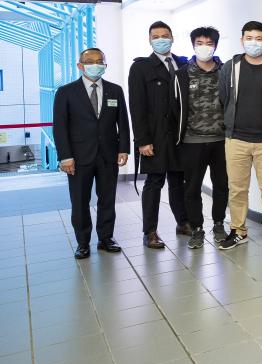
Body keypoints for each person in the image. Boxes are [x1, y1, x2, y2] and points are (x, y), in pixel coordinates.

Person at [54, 48, 129, 259]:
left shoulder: (115, 90)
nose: (95, 64)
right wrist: (65, 156)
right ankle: (83, 242)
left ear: (105, 65)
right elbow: (60, 127)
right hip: (78, 157)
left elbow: (123, 122)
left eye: (100, 61)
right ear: (80, 65)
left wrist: (123, 148)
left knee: (107, 199)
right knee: (80, 201)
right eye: (90, 61)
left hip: (108, 155)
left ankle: (106, 238)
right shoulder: (66, 92)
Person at [218, 21, 262, 250]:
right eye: (249, 38)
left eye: (258, 38)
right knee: (237, 188)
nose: (253, 43)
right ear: (241, 40)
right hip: (236, 138)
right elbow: (224, 98)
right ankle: (238, 230)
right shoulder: (230, 67)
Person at [128, 21, 187, 250]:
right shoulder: (141, 67)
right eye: (156, 36)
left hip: (180, 138)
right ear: (149, 40)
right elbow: (137, 107)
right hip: (155, 138)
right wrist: (142, 140)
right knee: (154, 183)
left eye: (165, 35)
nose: (161, 39)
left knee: (178, 183)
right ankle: (150, 231)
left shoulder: (182, 64)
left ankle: (183, 223)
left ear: (172, 37)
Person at [172, 27, 229, 249]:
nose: (204, 46)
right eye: (199, 42)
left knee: (221, 186)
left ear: (215, 45)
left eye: (208, 42)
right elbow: (175, 108)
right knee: (192, 188)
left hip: (221, 140)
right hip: (191, 141)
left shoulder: (226, 71)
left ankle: (218, 224)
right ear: (193, 44)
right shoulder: (182, 74)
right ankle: (196, 228)